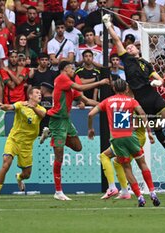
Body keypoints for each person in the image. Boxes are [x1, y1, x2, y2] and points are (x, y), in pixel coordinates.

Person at [102, 14, 165, 163]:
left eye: (131, 46)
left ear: (137, 48)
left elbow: (160, 79)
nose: (129, 47)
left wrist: (157, 83)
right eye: (127, 47)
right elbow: (116, 39)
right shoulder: (127, 59)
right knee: (157, 129)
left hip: (152, 94)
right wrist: (108, 24)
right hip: (141, 99)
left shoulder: (147, 64)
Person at [88, 78, 161, 207]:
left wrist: (90, 129)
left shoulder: (107, 101)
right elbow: (143, 114)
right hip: (131, 136)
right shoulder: (131, 101)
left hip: (117, 139)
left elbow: (90, 114)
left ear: (114, 89)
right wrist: (149, 132)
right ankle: (152, 192)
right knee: (142, 163)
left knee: (127, 168)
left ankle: (139, 197)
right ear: (126, 89)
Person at [48, 61, 109, 201]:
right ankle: (58, 191)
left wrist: (104, 105)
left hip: (66, 122)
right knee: (59, 157)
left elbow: (85, 99)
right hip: (57, 121)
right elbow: (80, 86)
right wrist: (100, 83)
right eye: (72, 68)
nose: (73, 70)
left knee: (78, 147)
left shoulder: (68, 85)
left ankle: (55, 138)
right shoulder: (62, 78)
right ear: (65, 69)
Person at [0, 87, 46, 200]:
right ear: (30, 95)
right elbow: (10, 107)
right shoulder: (21, 105)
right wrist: (3, 106)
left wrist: (33, 107)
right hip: (14, 140)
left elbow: (42, 115)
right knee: (6, 163)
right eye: (37, 93)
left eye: (40, 93)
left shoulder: (41, 109)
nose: (39, 95)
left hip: (27, 145)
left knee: (27, 174)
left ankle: (19, 177)